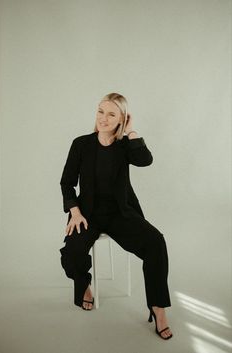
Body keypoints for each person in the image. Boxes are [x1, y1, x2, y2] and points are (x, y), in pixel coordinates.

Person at [59, 92, 173, 340]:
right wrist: (74, 211)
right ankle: (84, 284)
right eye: (101, 111)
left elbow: (145, 160)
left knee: (156, 243)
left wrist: (131, 131)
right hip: (87, 214)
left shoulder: (125, 146)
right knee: (72, 254)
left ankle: (158, 308)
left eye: (112, 114)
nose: (103, 118)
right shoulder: (81, 144)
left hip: (121, 213)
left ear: (122, 118)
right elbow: (67, 182)